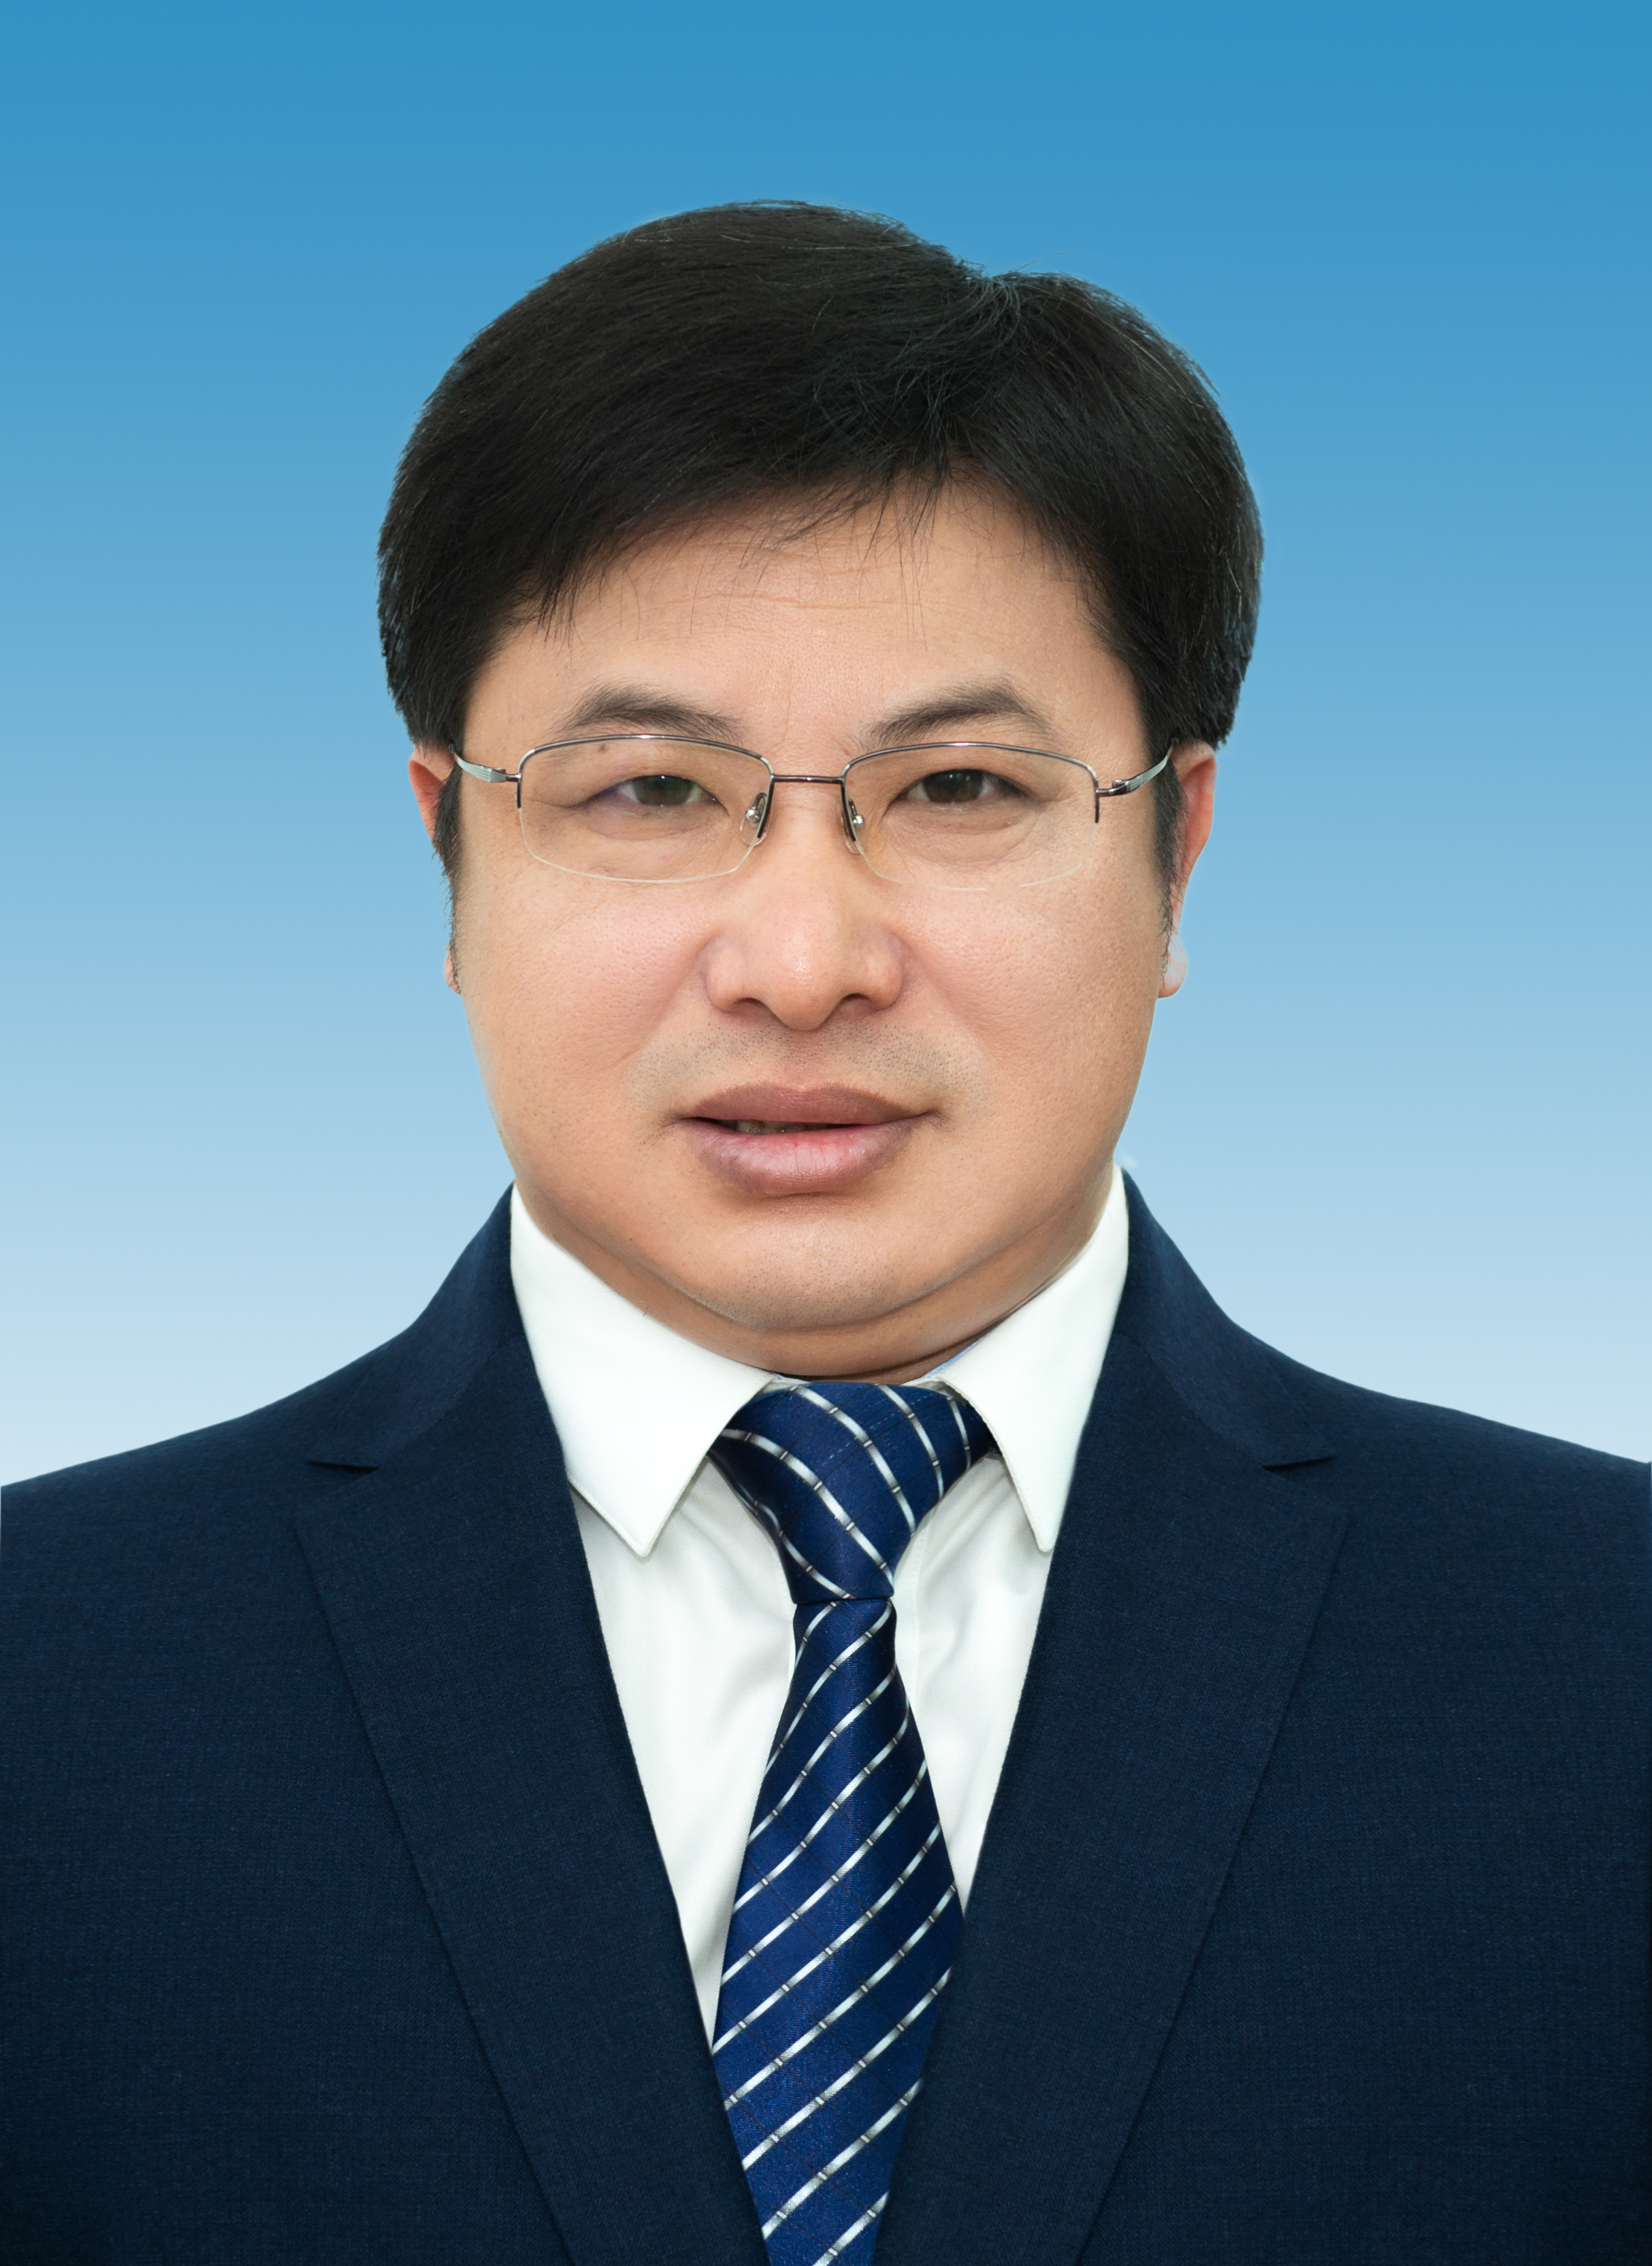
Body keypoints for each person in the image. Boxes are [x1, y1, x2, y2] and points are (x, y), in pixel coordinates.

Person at [2, 203, 1645, 2265]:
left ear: (1177, 847)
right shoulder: (49, 1687)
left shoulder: (1604, 1665)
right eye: (649, 792)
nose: (800, 961)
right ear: (448, 853)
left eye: (957, 787)